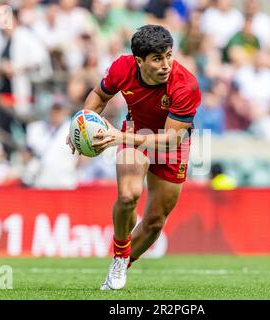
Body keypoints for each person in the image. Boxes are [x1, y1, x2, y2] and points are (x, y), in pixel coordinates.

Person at [66, 25, 201, 290]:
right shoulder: (121, 68)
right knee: (128, 196)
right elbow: (99, 95)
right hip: (135, 132)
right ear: (139, 61)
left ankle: (123, 260)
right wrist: (81, 124)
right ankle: (118, 256)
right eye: (157, 59)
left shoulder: (186, 85)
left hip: (171, 143)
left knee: (154, 223)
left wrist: (119, 137)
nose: (166, 65)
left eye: (169, 56)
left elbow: (170, 139)